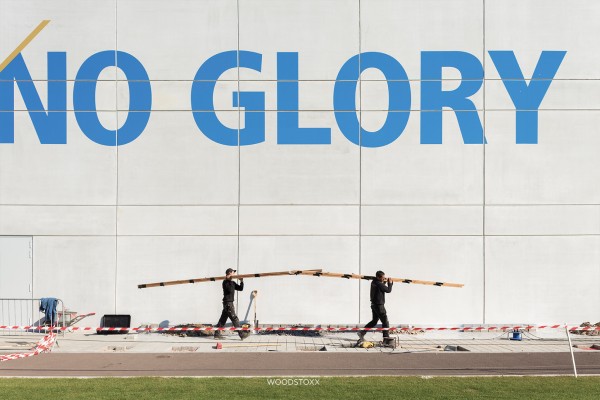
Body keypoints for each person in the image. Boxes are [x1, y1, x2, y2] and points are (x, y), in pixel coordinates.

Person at [358, 270, 393, 343]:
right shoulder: (379, 283)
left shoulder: (374, 282)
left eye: (384, 278)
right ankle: (386, 338)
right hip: (379, 306)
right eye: (382, 278)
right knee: (385, 322)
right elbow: (388, 290)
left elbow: (382, 286)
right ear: (378, 277)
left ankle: (362, 332)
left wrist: (384, 282)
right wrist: (390, 283)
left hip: (374, 305)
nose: (383, 279)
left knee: (374, 321)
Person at [214, 268, 249, 340]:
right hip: (228, 303)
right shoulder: (225, 282)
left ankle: (217, 334)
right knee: (235, 319)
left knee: (222, 320)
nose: (234, 274)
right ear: (229, 273)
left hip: (228, 303)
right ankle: (242, 334)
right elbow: (229, 290)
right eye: (233, 273)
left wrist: (241, 281)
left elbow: (240, 288)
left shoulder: (232, 283)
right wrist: (228, 280)